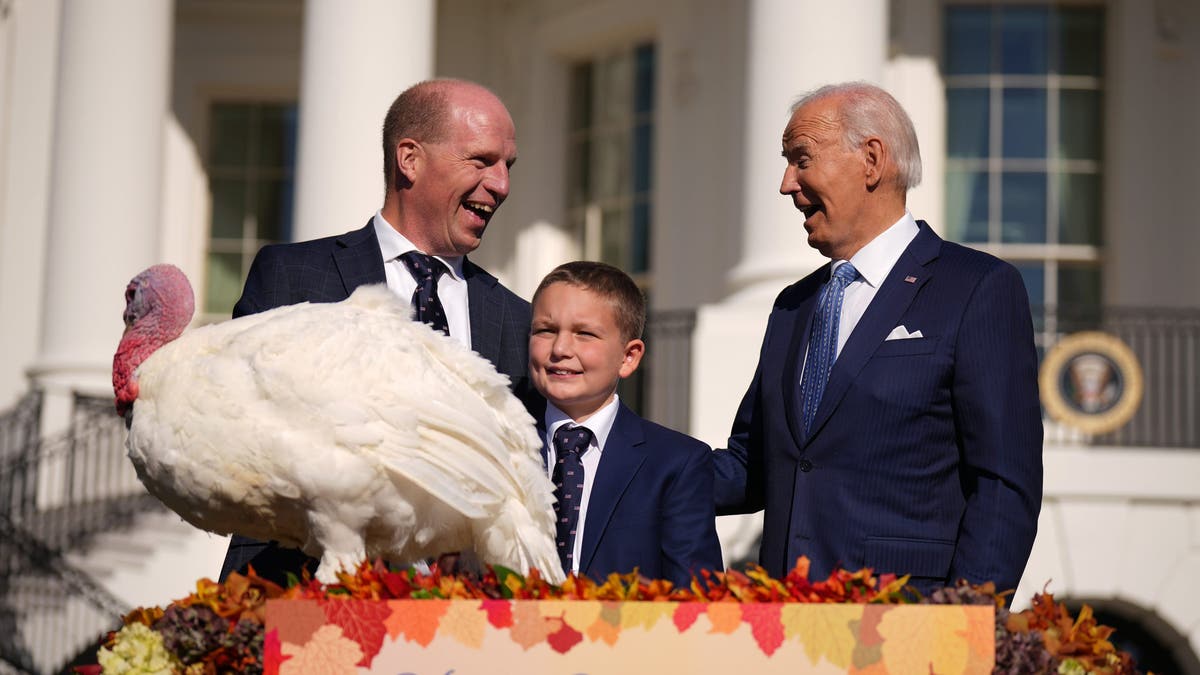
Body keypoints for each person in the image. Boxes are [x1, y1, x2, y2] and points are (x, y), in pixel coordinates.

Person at [712, 82, 1042, 598]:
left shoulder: (976, 288)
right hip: (781, 628)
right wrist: (621, 454)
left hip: (907, 628)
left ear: (871, 160)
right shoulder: (793, 306)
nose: (785, 184)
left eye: (802, 159)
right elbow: (751, 466)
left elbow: (1003, 484)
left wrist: (962, 627)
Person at [219, 79, 536, 584]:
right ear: (409, 159)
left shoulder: (517, 319)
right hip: (294, 596)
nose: (501, 184)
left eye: (507, 166)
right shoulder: (293, 276)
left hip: (463, 626)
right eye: (481, 161)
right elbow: (233, 425)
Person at [529, 261, 723, 587]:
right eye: (545, 330)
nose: (560, 349)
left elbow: (696, 603)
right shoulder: (495, 443)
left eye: (584, 334)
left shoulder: (675, 464)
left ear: (628, 357)